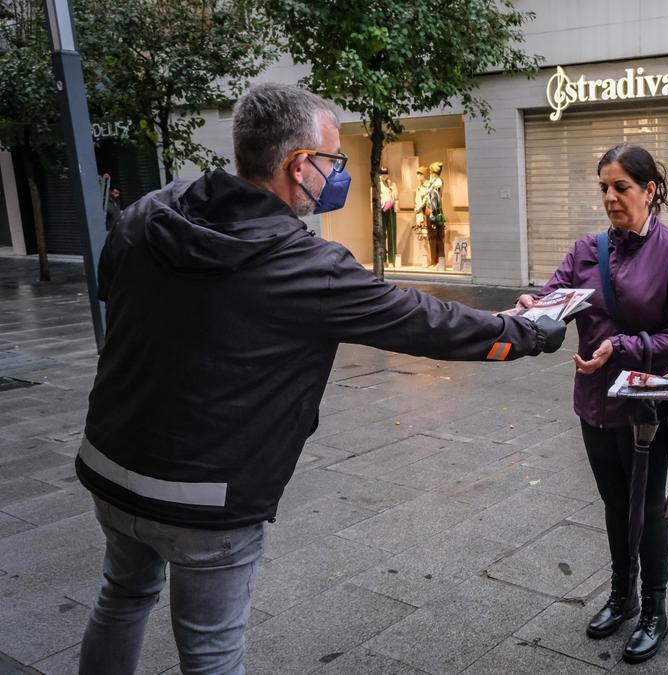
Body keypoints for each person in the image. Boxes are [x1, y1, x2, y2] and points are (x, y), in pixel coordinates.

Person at [75, 83, 566, 674]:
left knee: (122, 598)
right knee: (210, 653)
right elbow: (423, 322)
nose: (339, 175)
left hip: (109, 466)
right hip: (206, 498)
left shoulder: (150, 212)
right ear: (299, 166)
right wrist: (528, 331)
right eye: (334, 162)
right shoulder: (302, 265)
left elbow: (111, 289)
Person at [516, 143, 668, 664]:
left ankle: (654, 612)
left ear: (650, 190)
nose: (610, 197)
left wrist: (620, 347)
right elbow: (555, 295)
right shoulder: (587, 248)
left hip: (645, 405)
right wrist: (536, 303)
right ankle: (622, 597)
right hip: (595, 402)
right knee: (614, 504)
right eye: (603, 187)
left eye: (621, 187)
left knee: (647, 508)